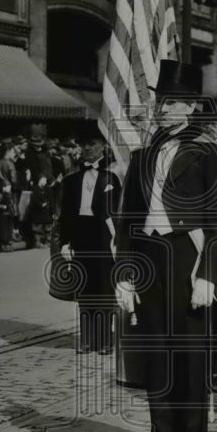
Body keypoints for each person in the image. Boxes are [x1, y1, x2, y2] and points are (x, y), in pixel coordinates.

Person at [114, 59, 217, 432]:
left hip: (189, 261)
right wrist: (124, 272)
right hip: (151, 261)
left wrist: (208, 275)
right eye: (162, 101)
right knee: (157, 357)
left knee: (191, 359)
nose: (165, 109)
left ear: (193, 107)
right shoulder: (144, 154)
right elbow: (127, 219)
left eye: (175, 103)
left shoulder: (210, 151)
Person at [58, 123, 122, 354]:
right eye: (83, 145)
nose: (87, 149)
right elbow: (65, 215)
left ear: (103, 147)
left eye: (92, 144)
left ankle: (105, 339)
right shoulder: (72, 181)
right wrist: (65, 242)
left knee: (104, 290)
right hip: (81, 238)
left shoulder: (112, 177)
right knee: (85, 291)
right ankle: (86, 339)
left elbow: (119, 212)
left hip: (104, 239)